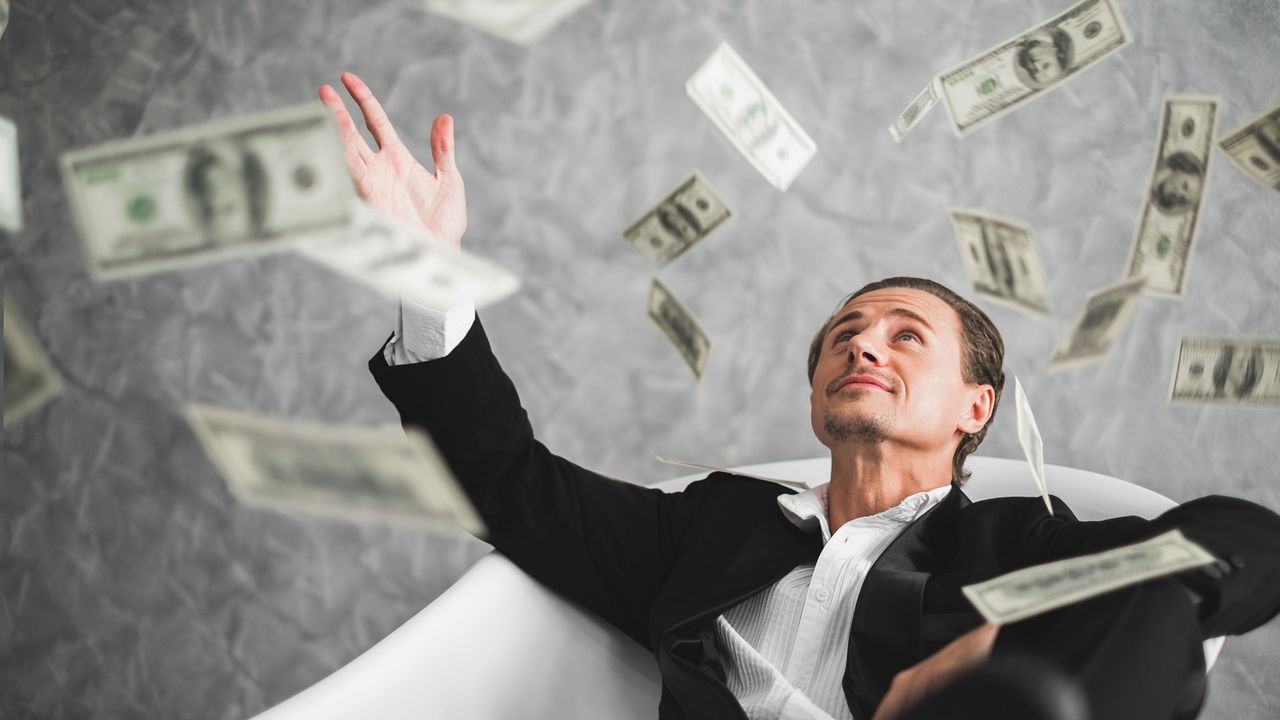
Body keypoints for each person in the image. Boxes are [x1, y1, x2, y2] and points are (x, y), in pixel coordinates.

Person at [320, 72, 1280, 720]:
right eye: (843, 336)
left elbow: (1248, 546)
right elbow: (499, 479)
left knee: (1158, 591)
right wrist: (427, 273)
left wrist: (989, 648)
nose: (863, 341)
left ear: (975, 408)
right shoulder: (707, 530)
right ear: (819, 391)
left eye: (907, 334)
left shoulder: (1016, 544)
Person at [182, 140, 269, 242]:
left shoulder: (249, 223)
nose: (216, 192)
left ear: (245, 184)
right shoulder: (208, 226)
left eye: (224, 181)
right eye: (209, 185)